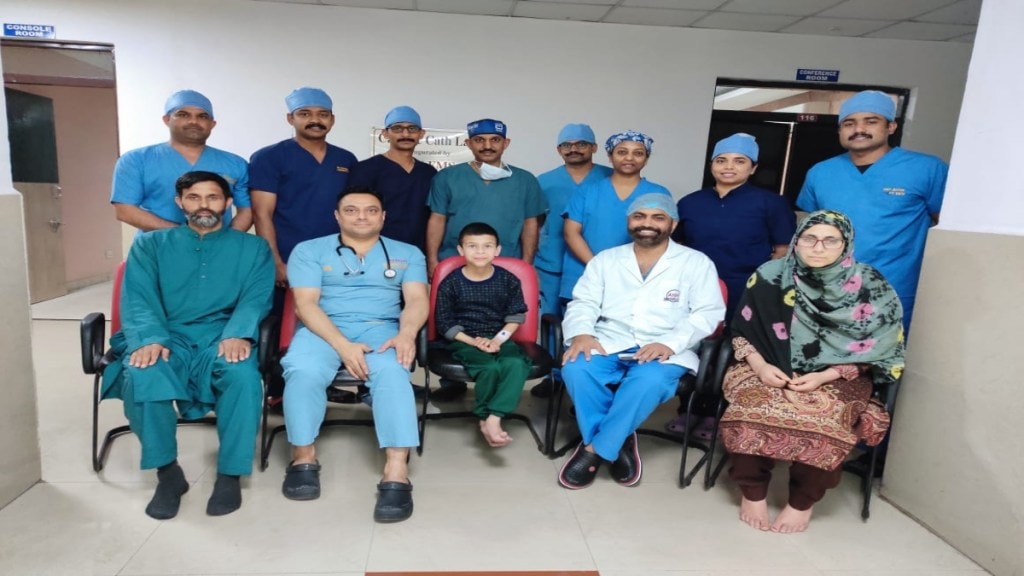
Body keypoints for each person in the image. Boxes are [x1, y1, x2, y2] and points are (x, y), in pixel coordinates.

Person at [101, 171, 274, 519]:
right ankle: (168, 474)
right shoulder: (150, 245)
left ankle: (229, 474)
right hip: (167, 333)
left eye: (213, 197)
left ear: (228, 203)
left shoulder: (253, 248)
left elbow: (256, 298)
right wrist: (150, 338)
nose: (204, 205)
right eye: (194, 197)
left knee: (242, 376)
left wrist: (238, 333)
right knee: (143, 373)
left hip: (221, 334)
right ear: (180, 202)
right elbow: (138, 297)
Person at [720, 210, 904, 533]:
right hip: (766, 366)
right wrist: (761, 367)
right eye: (809, 239)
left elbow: (881, 348)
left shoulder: (870, 284)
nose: (818, 248)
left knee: (827, 422)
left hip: (838, 375)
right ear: (796, 241)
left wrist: (824, 376)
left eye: (830, 240)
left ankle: (802, 501)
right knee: (749, 408)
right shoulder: (770, 275)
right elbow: (741, 332)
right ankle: (752, 491)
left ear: (846, 244)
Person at [279, 187, 428, 524]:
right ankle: (303, 457)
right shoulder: (309, 250)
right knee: (303, 370)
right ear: (337, 215)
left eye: (371, 210)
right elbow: (305, 305)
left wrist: (406, 334)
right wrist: (342, 345)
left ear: (383, 216)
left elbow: (417, 300)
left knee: (393, 372)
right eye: (351, 210)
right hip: (323, 329)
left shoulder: (408, 253)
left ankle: (396, 469)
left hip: (381, 328)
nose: (362, 216)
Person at [557, 194, 724, 490]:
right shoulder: (606, 259)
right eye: (639, 216)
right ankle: (620, 437)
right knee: (576, 369)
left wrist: (670, 343)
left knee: (648, 381)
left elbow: (708, 312)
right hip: (609, 339)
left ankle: (594, 449)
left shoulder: (696, 263)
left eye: (658, 217)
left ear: (673, 224)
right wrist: (582, 333)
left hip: (666, 346)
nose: (647, 223)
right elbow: (584, 301)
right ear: (629, 221)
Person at [667, 133, 795, 438]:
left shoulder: (771, 203)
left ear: (753, 168)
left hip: (745, 290)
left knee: (733, 350)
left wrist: (762, 289)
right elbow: (677, 248)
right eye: (721, 160)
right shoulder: (690, 203)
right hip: (696, 289)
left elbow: (782, 251)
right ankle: (688, 410)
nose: (729, 167)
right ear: (711, 164)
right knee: (694, 344)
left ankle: (717, 413)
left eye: (739, 161)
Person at [797, 90, 947, 331]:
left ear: (891, 126)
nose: (859, 129)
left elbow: (943, 226)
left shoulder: (927, 169)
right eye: (849, 123)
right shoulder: (821, 172)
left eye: (871, 121)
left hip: (893, 288)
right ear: (839, 130)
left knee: (884, 352)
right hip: (829, 288)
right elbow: (810, 230)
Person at [425, 118, 546, 400]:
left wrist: (527, 263)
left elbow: (531, 223)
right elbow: (437, 219)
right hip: (454, 262)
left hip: (506, 262)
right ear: (468, 143)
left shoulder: (525, 180)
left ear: (506, 143)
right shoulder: (447, 178)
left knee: (498, 320)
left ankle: (499, 380)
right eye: (479, 140)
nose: (487, 145)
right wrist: (432, 260)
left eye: (495, 140)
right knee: (453, 319)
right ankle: (451, 382)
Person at [249, 87, 359, 311]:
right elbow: (262, 214)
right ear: (290, 118)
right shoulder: (269, 158)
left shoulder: (346, 159)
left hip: (337, 258)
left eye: (323, 114)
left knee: (336, 316)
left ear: (332, 120)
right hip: (288, 256)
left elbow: (354, 211)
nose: (315, 120)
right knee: (288, 319)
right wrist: (275, 262)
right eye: (305, 114)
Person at [532, 123, 613, 399]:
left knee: (594, 322)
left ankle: (584, 374)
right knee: (551, 319)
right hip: (551, 261)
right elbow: (534, 221)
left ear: (594, 147)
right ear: (559, 149)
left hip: (592, 262)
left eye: (581, 144)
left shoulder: (610, 178)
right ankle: (553, 376)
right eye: (567, 145)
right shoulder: (544, 181)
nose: (574, 149)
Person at [434, 222, 531, 447]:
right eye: (472, 246)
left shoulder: (508, 280)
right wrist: (474, 342)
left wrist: (497, 340)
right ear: (461, 250)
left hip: (499, 337)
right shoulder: (451, 283)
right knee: (489, 367)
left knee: (515, 364)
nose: (480, 252)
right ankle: (483, 415)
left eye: (487, 246)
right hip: (464, 339)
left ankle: (493, 417)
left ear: (497, 250)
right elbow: (445, 323)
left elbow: (516, 316)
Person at [111, 90, 252, 233]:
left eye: (202, 116)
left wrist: (227, 240)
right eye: (183, 115)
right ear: (167, 119)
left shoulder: (235, 164)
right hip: (157, 244)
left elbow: (247, 210)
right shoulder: (136, 160)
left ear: (212, 124)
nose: (193, 121)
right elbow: (125, 210)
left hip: (218, 246)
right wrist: (183, 237)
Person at [560, 130, 671, 303]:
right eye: (622, 152)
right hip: (584, 273)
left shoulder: (658, 193)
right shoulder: (587, 191)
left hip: (635, 279)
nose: (629, 158)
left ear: (646, 159)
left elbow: (662, 235)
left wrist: (626, 272)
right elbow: (571, 233)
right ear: (610, 156)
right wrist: (599, 268)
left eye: (638, 153)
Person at [348, 106, 437, 252]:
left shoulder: (428, 172)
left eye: (412, 128)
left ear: (421, 134)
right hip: (375, 251)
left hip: (417, 252)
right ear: (385, 134)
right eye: (397, 128)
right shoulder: (365, 169)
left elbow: (434, 216)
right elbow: (353, 214)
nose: (405, 134)